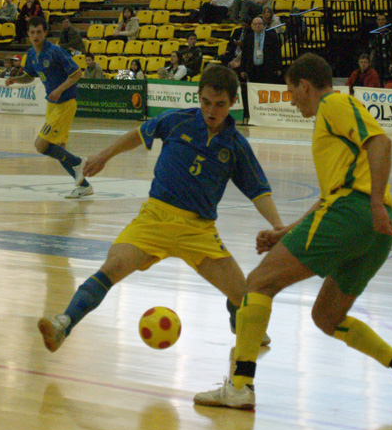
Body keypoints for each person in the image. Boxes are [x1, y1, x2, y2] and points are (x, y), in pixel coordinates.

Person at [193, 53, 392, 410]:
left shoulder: (334, 104)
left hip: (356, 214)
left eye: (292, 91)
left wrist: (371, 205)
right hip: (374, 231)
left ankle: (240, 385)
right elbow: (329, 197)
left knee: (258, 283)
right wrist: (286, 231)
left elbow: (381, 143)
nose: (291, 100)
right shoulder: (332, 122)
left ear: (304, 86)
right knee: (327, 317)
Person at [36, 64, 284, 353]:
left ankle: (236, 316)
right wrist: (105, 155)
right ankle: (63, 324)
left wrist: (278, 226)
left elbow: (259, 191)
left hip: (198, 231)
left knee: (244, 297)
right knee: (112, 266)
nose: (211, 111)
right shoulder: (177, 120)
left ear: (232, 103)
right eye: (205, 102)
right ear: (198, 98)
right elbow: (139, 135)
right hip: (154, 220)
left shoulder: (237, 146)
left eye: (220, 104)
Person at [5, 16, 92, 199]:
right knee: (59, 148)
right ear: (28, 34)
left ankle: (79, 163)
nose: (35, 36)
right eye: (32, 32)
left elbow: (77, 73)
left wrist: (60, 90)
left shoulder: (55, 51)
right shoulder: (31, 54)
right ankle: (84, 186)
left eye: (39, 32)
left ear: (45, 33)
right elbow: (30, 76)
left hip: (65, 104)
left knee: (41, 145)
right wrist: (16, 80)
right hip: (52, 105)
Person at [241, 16, 283, 84]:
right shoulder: (248, 38)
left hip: (268, 69)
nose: (258, 26)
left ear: (264, 25)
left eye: (260, 23)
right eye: (255, 24)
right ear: (252, 26)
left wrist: (279, 68)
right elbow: (244, 54)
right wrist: (243, 70)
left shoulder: (271, 36)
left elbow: (277, 53)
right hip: (253, 70)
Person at [369, 13, 392, 81]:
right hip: (378, 61)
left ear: (386, 21)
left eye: (383, 19)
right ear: (377, 21)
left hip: (387, 61)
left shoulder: (391, 34)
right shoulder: (374, 35)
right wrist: (371, 63)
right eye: (379, 19)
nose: (381, 21)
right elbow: (373, 50)